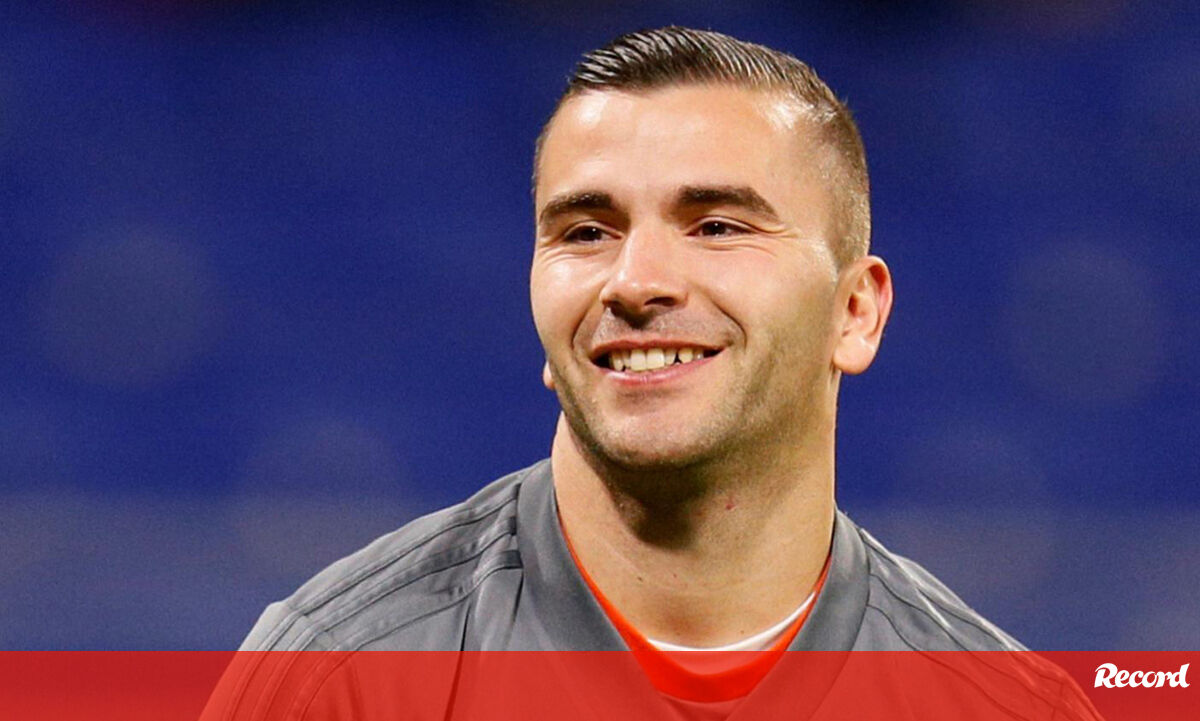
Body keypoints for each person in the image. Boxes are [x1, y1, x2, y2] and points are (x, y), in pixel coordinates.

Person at [203, 26, 1100, 720]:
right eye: (586, 232)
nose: (634, 283)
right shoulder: (344, 677)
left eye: (717, 226)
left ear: (854, 312)